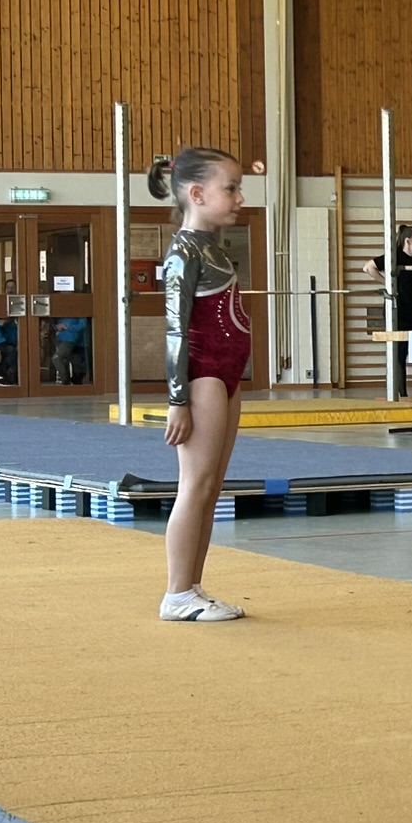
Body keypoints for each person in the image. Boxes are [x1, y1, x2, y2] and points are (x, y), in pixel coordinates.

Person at [153, 147, 251, 623]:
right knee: (194, 486)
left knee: (211, 486)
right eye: (230, 188)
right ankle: (176, 594)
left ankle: (192, 586)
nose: (239, 197)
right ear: (196, 194)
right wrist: (178, 400)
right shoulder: (183, 252)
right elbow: (174, 330)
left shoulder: (212, 247)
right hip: (203, 375)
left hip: (227, 376)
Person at [363, 223, 412, 397]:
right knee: (399, 353)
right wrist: (387, 283)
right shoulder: (394, 257)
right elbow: (368, 267)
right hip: (398, 311)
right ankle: (402, 394)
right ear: (408, 241)